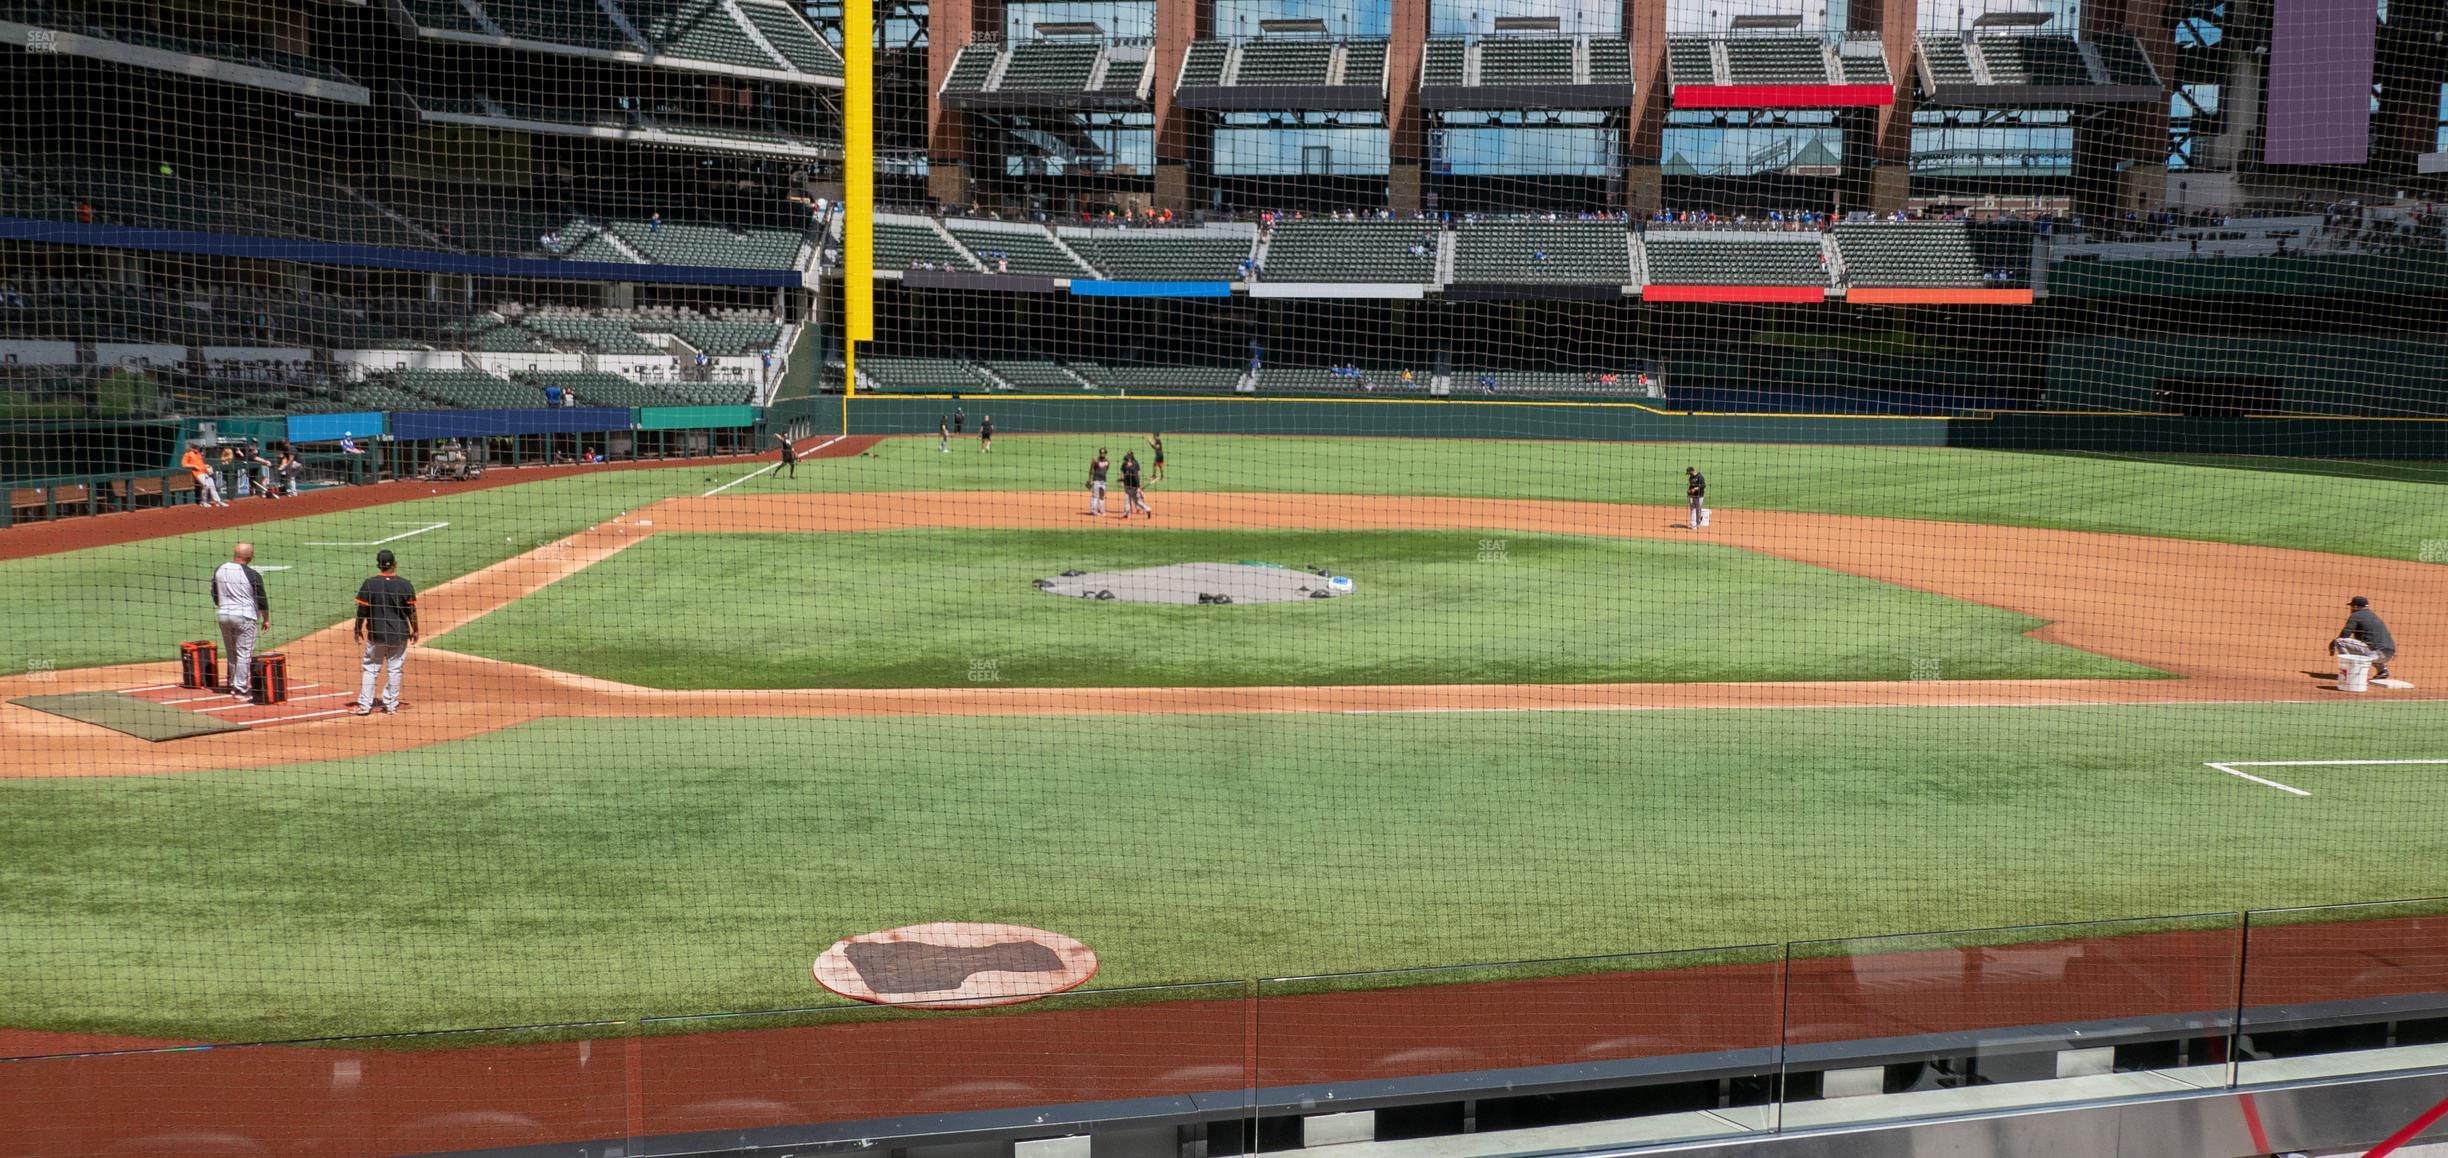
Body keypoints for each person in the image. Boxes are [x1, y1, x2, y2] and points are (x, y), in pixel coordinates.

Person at [351, 548, 418, 716]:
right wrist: (415, 630)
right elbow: (412, 611)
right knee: (395, 669)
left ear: (378, 565)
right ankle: (390, 705)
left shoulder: (369, 583)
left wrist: (357, 628)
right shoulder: (405, 584)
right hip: (399, 634)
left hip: (377, 635)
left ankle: (365, 706)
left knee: (371, 669)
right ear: (395, 564)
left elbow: (362, 611)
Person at [212, 543, 269, 699]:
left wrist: (224, 606)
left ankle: (233, 684)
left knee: (232, 652)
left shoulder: (220, 569)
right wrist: (266, 619)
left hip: (223, 615)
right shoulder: (252, 574)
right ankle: (240, 689)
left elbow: (215, 593)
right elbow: (262, 600)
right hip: (244, 617)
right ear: (250, 556)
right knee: (244, 654)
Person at [2338, 596, 2398, 680]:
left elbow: (2345, 634)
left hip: (2374, 654)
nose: (2351, 608)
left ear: (2355, 606)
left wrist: (2334, 642)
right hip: (2389, 654)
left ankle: (2350, 672)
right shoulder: (2373, 616)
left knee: (2340, 642)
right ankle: (2382, 670)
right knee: (2368, 645)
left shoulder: (2356, 615)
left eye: (2352, 606)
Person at [183, 442, 226, 508]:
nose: (197, 449)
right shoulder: (187, 454)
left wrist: (206, 466)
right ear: (191, 448)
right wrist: (193, 466)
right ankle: (203, 502)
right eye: (196, 448)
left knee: (212, 486)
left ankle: (218, 501)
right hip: (197, 473)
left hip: (204, 472)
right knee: (206, 485)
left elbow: (200, 463)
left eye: (198, 448)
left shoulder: (198, 454)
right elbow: (184, 464)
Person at [1120, 452, 1153, 518]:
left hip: (1132, 487)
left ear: (1130, 460)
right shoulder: (1125, 465)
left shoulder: (1133, 468)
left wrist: (1138, 487)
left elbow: (1136, 477)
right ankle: (1147, 509)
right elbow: (1123, 474)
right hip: (1128, 485)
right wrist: (1122, 482)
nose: (1125, 461)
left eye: (1126, 460)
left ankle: (1128, 513)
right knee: (1135, 501)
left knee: (1130, 500)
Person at [1087, 448, 1110, 516]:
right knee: (1095, 495)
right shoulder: (1095, 460)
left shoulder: (1108, 461)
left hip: (1103, 481)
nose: (1102, 454)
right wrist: (1089, 479)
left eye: (1103, 453)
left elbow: (1106, 469)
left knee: (1102, 496)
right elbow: (1091, 470)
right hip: (1096, 480)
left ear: (1105, 453)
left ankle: (1101, 510)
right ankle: (1093, 511)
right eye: (1101, 453)